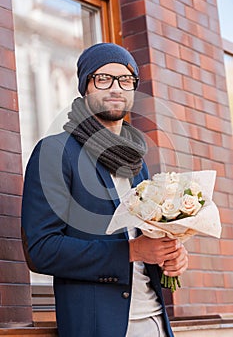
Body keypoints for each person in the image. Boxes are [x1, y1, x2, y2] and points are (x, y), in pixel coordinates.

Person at [21, 42, 188, 337]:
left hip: (157, 323)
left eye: (125, 80)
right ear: (86, 87)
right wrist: (131, 251)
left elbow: (144, 246)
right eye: (103, 79)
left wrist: (169, 257)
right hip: (100, 327)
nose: (116, 88)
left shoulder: (137, 163)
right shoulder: (55, 152)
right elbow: (41, 250)